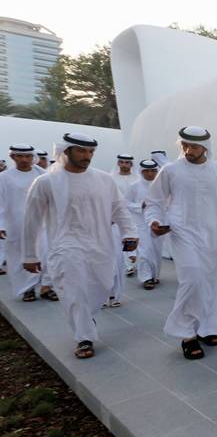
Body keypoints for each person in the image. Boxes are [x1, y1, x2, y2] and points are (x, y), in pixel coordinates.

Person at [22, 133, 138, 359]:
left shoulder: (104, 179)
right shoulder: (46, 182)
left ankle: (85, 317)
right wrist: (29, 255)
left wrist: (130, 233)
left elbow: (119, 208)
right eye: (81, 151)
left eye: (90, 152)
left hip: (100, 244)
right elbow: (31, 221)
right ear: (66, 151)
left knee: (102, 285)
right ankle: (84, 337)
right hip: (64, 245)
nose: (87, 156)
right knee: (74, 290)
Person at [144, 126, 217, 360]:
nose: (188, 150)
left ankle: (210, 327)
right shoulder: (170, 170)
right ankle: (187, 334)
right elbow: (154, 201)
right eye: (185, 145)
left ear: (205, 147)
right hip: (183, 232)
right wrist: (154, 221)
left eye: (193, 146)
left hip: (216, 235)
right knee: (192, 278)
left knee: (215, 282)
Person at [0, 144, 57, 302]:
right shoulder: (4, 178)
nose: (24, 160)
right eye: (20, 156)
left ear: (33, 157)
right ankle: (28, 289)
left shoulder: (43, 175)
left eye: (27, 156)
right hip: (16, 224)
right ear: (13, 157)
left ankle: (47, 287)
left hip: (43, 223)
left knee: (47, 254)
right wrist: (1, 225)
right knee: (21, 256)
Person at [125, 159, 163, 289]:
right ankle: (146, 278)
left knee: (156, 251)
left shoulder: (161, 186)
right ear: (141, 171)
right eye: (147, 171)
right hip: (140, 224)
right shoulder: (134, 186)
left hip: (158, 224)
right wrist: (140, 205)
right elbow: (126, 202)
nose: (150, 173)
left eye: (153, 171)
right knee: (144, 251)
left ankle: (154, 276)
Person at [110, 153, 139, 283]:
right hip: (118, 214)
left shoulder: (137, 178)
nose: (124, 165)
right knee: (122, 237)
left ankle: (134, 262)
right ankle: (129, 265)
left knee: (135, 237)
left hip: (135, 213)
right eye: (121, 162)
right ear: (118, 163)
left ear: (131, 164)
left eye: (127, 162)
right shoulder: (111, 178)